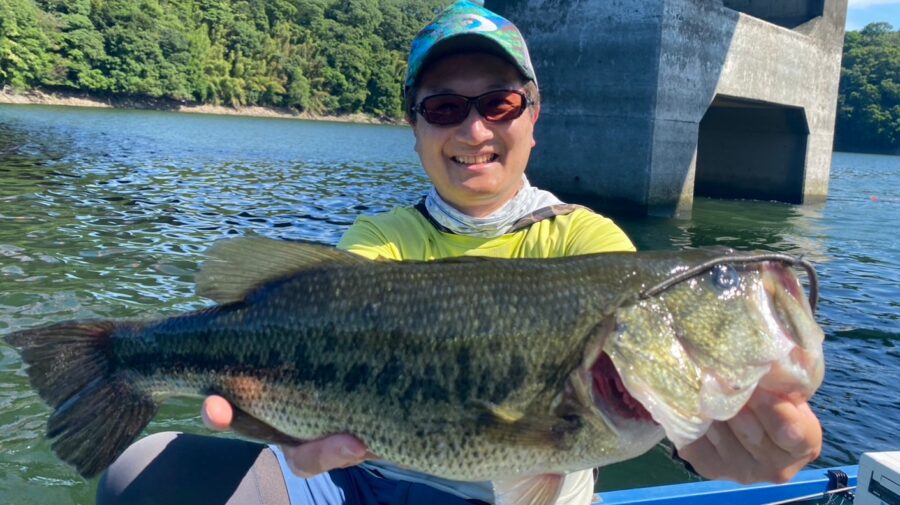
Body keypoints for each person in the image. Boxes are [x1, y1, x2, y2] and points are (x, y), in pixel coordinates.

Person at [97, 1, 823, 503]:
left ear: (533, 117)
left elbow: (655, 404)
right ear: (414, 127)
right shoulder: (379, 244)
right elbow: (314, 338)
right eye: (444, 107)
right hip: (366, 480)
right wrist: (287, 431)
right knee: (141, 472)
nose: (474, 131)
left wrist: (709, 440)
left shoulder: (590, 245)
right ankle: (119, 356)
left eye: (499, 103)